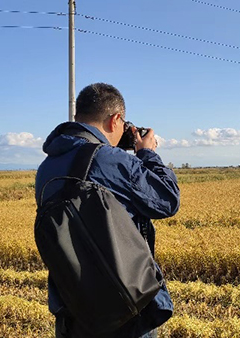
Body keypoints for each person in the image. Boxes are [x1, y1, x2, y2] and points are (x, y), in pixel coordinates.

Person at [35, 83, 180, 338]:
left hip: (73, 309)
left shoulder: (46, 168)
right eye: (124, 125)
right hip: (124, 308)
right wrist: (146, 152)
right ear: (115, 120)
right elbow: (167, 200)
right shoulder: (109, 159)